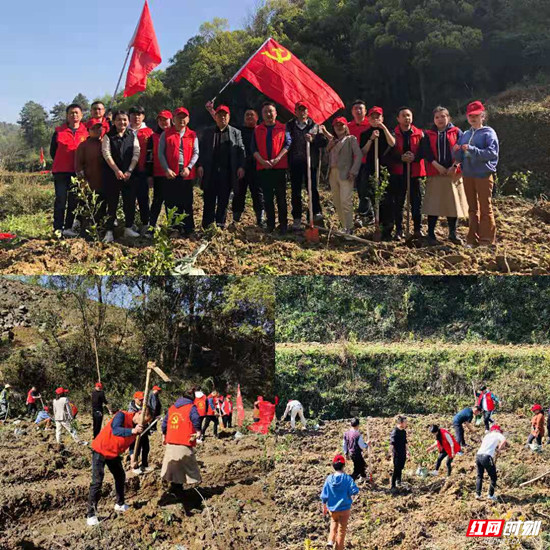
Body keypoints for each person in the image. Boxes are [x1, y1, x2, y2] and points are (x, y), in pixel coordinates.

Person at [86, 407, 150, 526]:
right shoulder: (122, 415)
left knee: (120, 476)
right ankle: (91, 515)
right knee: (97, 481)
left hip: (114, 453)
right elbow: (116, 430)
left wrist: (133, 458)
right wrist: (132, 431)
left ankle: (119, 504)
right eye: (143, 421)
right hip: (100, 450)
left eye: (145, 423)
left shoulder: (138, 428)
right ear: (139, 413)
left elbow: (133, 445)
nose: (143, 424)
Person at [453, 101, 499, 247]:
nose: (473, 118)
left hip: (483, 175)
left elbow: (492, 153)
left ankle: (486, 241)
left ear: (483, 116)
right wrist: (457, 151)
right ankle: (472, 239)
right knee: (472, 208)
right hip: (468, 175)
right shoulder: (465, 134)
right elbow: (460, 158)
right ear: (467, 117)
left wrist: (472, 149)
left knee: (485, 207)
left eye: (476, 115)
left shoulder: (488, 133)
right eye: (470, 115)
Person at [421, 107, 468, 245]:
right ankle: (430, 234)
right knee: (433, 204)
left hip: (453, 173)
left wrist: (454, 166)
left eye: (443, 116)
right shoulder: (428, 134)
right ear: (433, 120)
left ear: (449, 118)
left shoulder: (457, 132)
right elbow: (427, 152)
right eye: (437, 117)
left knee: (452, 204)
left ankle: (453, 233)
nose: (440, 120)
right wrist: (438, 166)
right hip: (435, 172)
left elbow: (461, 151)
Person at [197, 105, 245, 229]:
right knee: (209, 199)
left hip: (227, 172)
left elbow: (241, 151)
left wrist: (241, 166)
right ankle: (207, 225)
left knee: (224, 200)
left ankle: (220, 225)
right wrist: (200, 165)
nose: (222, 117)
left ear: (229, 117)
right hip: (210, 171)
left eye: (225, 115)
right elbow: (201, 150)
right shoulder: (208, 132)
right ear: (215, 117)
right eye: (219, 115)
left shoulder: (236, 132)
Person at [382, 107, 425, 241]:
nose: (407, 118)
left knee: (416, 202)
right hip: (398, 173)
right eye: (404, 116)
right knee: (398, 203)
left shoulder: (420, 134)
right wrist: (400, 158)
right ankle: (399, 230)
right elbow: (386, 156)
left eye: (409, 116)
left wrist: (414, 157)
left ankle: (417, 229)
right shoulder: (392, 135)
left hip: (414, 173)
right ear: (398, 119)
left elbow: (424, 152)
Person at [286, 101, 327, 230]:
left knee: (312, 189)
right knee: (296, 191)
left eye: (304, 109)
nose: (302, 112)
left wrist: (313, 140)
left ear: (308, 112)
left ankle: (315, 214)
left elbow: (323, 142)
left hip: (310, 163)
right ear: (295, 111)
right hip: (295, 162)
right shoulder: (290, 125)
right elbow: (286, 140)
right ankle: (297, 218)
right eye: (299, 109)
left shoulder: (314, 126)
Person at [101, 110, 141, 244]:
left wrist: (129, 170)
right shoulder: (108, 136)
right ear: (114, 122)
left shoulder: (132, 135)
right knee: (112, 203)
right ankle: (109, 231)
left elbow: (136, 153)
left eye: (124, 119)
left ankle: (128, 227)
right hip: (112, 175)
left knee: (129, 202)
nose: (122, 122)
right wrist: (116, 170)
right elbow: (107, 154)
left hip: (129, 175)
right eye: (119, 120)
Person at [158, 107, 199, 236]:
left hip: (186, 174)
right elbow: (160, 153)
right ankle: (174, 228)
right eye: (178, 117)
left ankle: (188, 229)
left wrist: (189, 167)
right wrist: (166, 169)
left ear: (188, 119)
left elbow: (196, 153)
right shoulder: (166, 134)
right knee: (171, 202)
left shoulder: (192, 134)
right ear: (173, 119)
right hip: (171, 174)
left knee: (187, 202)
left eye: (184, 117)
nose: (181, 119)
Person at [252, 102, 291, 234]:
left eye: (271, 111)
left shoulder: (283, 128)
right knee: (267, 198)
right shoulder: (257, 130)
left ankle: (283, 224)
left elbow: (287, 144)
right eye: (266, 112)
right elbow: (253, 149)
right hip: (264, 168)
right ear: (262, 115)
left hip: (279, 167)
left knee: (281, 197)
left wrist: (277, 158)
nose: (268, 114)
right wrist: (262, 161)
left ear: (275, 113)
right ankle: (270, 224)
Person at [50, 103, 89, 238]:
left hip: (77, 172)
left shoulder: (86, 132)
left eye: (76, 113)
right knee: (61, 199)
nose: (74, 115)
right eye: (71, 113)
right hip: (61, 171)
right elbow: (53, 152)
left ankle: (68, 227)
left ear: (81, 115)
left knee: (74, 201)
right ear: (67, 116)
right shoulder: (59, 131)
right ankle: (57, 227)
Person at [319, 117, 363, 235]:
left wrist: (353, 171)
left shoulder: (350, 139)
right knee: (337, 201)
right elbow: (325, 160)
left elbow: (358, 155)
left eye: (341, 125)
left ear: (346, 126)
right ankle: (344, 227)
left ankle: (349, 228)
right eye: (336, 125)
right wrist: (328, 148)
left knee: (346, 201)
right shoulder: (332, 141)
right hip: (332, 173)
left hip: (346, 173)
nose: (339, 127)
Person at [358, 106, 396, 226]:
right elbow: (363, 151)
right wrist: (371, 139)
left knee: (386, 196)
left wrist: (383, 128)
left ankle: (386, 223)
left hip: (385, 167)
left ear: (382, 118)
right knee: (368, 192)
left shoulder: (387, 131)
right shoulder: (365, 134)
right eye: (372, 117)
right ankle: (371, 217)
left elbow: (392, 143)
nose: (375, 119)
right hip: (370, 166)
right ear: (368, 119)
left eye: (378, 117)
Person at [161, 388, 202, 496]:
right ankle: (177, 490)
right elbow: (196, 419)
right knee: (185, 465)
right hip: (184, 440)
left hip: (171, 440)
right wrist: (198, 430)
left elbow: (165, 423)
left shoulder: (172, 408)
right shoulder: (191, 407)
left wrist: (164, 434)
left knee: (174, 465)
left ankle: (175, 488)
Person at [320, 454, 359, 550]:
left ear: (334, 466)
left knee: (333, 523)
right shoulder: (347, 478)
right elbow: (355, 490)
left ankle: (330, 541)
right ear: (343, 465)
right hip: (345, 508)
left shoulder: (329, 479)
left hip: (332, 508)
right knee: (341, 530)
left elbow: (324, 495)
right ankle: (338, 548)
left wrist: (324, 506)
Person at [233, 108, 265, 226]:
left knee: (258, 193)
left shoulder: (261, 130)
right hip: (241, 166)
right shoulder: (238, 131)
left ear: (257, 118)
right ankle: (236, 218)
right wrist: (211, 111)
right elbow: (223, 123)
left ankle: (260, 219)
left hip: (257, 166)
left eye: (252, 115)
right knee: (239, 193)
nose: (249, 117)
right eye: (247, 115)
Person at [76, 120, 107, 236]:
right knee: (88, 208)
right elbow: (78, 165)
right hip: (89, 183)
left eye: (99, 128)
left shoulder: (105, 143)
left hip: (103, 182)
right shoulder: (83, 145)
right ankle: (86, 232)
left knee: (102, 208)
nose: (97, 131)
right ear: (88, 130)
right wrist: (82, 181)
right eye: (93, 128)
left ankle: (102, 231)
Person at [128, 106, 154, 234]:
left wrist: (150, 173)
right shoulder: (124, 131)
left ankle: (145, 223)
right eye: (133, 114)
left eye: (139, 114)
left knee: (143, 198)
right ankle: (130, 224)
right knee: (129, 198)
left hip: (143, 170)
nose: (136, 117)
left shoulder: (149, 132)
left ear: (143, 117)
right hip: (128, 171)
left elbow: (152, 154)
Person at [146, 110, 173, 231]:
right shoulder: (153, 137)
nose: (163, 122)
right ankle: (151, 226)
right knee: (157, 201)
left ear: (171, 120)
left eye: (165, 119)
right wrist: (150, 175)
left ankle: (172, 227)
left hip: (173, 174)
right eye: (160, 120)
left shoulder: (175, 134)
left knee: (171, 202)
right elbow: (149, 157)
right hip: (158, 173)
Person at [347, 99, 372, 224]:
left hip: (367, 161)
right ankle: (369, 214)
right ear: (352, 111)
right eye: (356, 108)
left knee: (365, 188)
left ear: (365, 111)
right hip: (353, 163)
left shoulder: (370, 125)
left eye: (360, 108)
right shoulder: (348, 127)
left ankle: (363, 214)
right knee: (359, 189)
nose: (358, 111)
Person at [475, 424, 508, 501]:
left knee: (479, 476)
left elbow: (487, 445)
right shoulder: (497, 434)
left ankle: (478, 494)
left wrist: (495, 449)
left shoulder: (487, 436)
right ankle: (491, 495)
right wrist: (499, 448)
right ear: (497, 430)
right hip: (486, 457)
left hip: (478, 456)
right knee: (493, 477)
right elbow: (504, 441)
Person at [128, 391, 150, 473]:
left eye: (143, 399)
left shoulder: (145, 407)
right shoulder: (131, 408)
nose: (141, 401)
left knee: (146, 448)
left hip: (144, 431)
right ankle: (135, 466)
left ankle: (144, 465)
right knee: (135, 449)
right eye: (140, 400)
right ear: (135, 399)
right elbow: (134, 420)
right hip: (134, 432)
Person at [390, 415, 409, 491]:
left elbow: (405, 442)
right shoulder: (395, 431)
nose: (406, 424)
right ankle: (393, 485)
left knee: (401, 468)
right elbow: (392, 443)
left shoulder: (404, 432)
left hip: (403, 453)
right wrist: (389, 453)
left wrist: (407, 451)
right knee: (396, 469)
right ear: (401, 423)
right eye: (405, 422)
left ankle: (399, 481)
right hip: (397, 454)